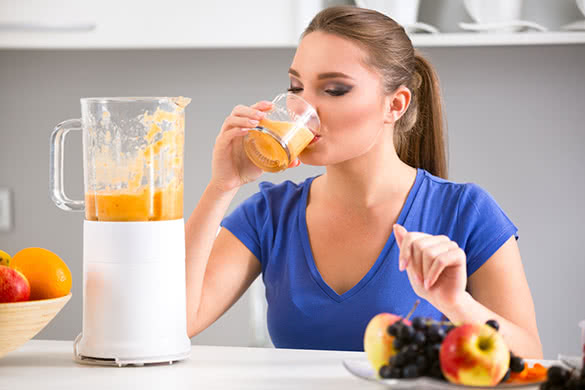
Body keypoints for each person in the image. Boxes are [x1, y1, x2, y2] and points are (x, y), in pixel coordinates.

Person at [185, 6, 542, 358]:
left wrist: (456, 303)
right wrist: (222, 186)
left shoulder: (466, 212)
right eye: (296, 87)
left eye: (335, 89)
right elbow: (175, 324)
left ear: (395, 105)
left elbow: (532, 356)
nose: (301, 108)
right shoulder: (269, 214)